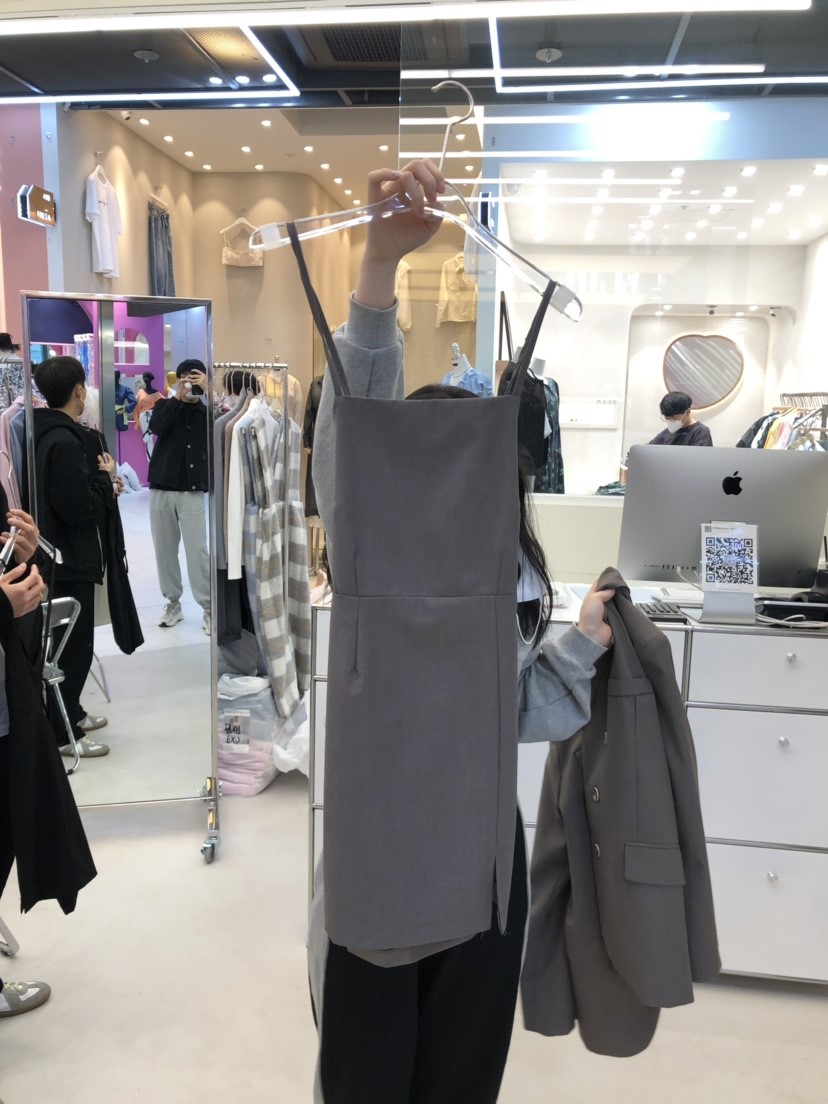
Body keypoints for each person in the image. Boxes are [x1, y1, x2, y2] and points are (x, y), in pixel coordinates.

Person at [307, 159, 615, 1103]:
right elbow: (354, 424)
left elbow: (509, 710)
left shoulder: (507, 577)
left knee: (461, 1080)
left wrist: (581, 643)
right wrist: (377, 267)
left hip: (481, 859)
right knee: (366, 1080)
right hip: (378, 855)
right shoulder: (366, 549)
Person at [32, 356, 119, 758]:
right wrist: (104, 481)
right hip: (69, 560)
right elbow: (77, 508)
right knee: (74, 646)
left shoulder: (42, 432)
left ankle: (74, 712)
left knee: (68, 643)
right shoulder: (65, 442)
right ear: (80, 390)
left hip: (57, 556)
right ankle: (65, 734)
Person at [147, 359, 211, 633]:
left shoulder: (207, 411)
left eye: (196, 379)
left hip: (192, 489)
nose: (190, 384)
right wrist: (176, 397)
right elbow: (157, 427)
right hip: (161, 485)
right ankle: (173, 602)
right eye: (186, 378)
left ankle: (208, 607)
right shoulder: (165, 405)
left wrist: (208, 392)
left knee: (197, 550)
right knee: (164, 549)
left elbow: (220, 427)